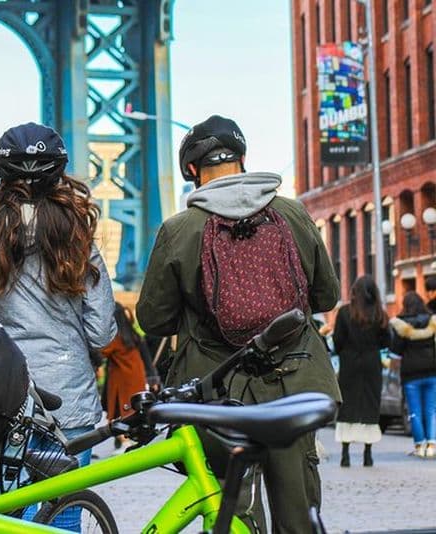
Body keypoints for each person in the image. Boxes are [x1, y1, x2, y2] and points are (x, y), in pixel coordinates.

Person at [137, 115, 340, 533]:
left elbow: (153, 318)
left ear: (191, 169)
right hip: (294, 383)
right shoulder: (291, 213)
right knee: (298, 510)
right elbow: (326, 297)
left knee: (234, 508)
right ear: (242, 159)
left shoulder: (180, 229)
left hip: (219, 390)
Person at [0, 122, 116, 530]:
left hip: (1, 399)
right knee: (64, 514)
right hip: (68, 399)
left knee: (8, 516)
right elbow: (101, 333)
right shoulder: (78, 244)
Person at [332, 276, 389, 467]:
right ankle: (367, 454)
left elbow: (337, 340)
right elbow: (386, 341)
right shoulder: (379, 314)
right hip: (372, 362)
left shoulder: (344, 312)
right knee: (370, 404)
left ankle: (345, 454)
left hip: (349, 362)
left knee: (348, 404)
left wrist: (344, 351)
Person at [389, 291, 436, 458]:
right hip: (432, 371)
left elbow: (395, 354)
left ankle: (419, 446)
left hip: (411, 374)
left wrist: (393, 370)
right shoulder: (432, 322)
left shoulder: (401, 325)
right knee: (431, 410)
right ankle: (432, 446)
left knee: (415, 411)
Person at [100, 303, 149, 450]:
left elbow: (101, 351)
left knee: (121, 411)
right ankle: (133, 440)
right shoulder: (132, 335)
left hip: (121, 380)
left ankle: (124, 442)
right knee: (132, 410)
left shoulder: (115, 338)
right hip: (136, 377)